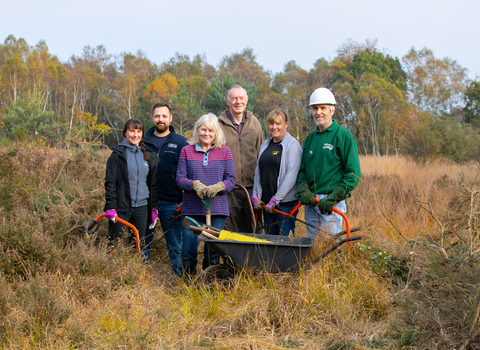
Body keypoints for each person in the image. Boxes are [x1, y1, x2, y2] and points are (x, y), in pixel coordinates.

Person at [295, 88, 361, 239]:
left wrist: (334, 197)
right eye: (315, 108)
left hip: (331, 203)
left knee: (329, 246)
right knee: (312, 246)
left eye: (323, 108)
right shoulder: (310, 138)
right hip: (311, 202)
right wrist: (303, 189)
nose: (318, 112)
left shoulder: (343, 136)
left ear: (332, 110)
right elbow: (303, 171)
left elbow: (353, 174)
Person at [176, 113, 236, 276]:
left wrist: (219, 186)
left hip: (217, 209)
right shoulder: (186, 151)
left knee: (213, 252)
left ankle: (209, 284)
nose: (206, 133)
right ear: (197, 130)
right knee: (188, 250)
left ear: (216, 132)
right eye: (203, 129)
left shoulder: (224, 152)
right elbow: (180, 179)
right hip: (191, 209)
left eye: (211, 130)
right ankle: (188, 285)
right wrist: (194, 184)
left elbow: (231, 179)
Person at [143, 103, 189, 275]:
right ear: (152, 118)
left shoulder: (181, 142)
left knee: (175, 245)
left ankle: (178, 280)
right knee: (143, 242)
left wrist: (185, 200)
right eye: (157, 116)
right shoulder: (143, 141)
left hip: (172, 202)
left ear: (170, 118)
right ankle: (140, 280)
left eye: (164, 116)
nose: (160, 119)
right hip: (147, 202)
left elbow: (189, 172)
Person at [104, 119, 159, 253]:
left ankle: (134, 273)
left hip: (141, 208)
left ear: (142, 134)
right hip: (121, 207)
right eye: (132, 131)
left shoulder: (147, 156)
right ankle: (112, 272)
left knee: (137, 246)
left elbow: (152, 185)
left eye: (139, 131)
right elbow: (110, 183)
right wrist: (111, 207)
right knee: (115, 246)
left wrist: (153, 208)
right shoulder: (117, 155)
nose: (135, 134)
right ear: (125, 133)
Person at [218, 85, 263, 233]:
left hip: (252, 189)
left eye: (241, 98)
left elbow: (260, 151)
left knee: (253, 229)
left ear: (247, 100)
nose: (238, 102)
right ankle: (231, 257)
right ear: (227, 101)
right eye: (234, 98)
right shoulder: (218, 124)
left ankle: (254, 257)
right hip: (229, 189)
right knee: (230, 230)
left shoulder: (254, 122)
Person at [251, 109, 302, 236]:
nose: (274, 127)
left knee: (284, 240)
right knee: (270, 240)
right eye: (271, 123)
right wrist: (255, 195)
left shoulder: (293, 145)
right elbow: (258, 171)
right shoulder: (265, 144)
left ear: (286, 124)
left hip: (284, 205)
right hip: (267, 204)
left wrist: (276, 200)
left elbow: (291, 176)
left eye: (278, 123)